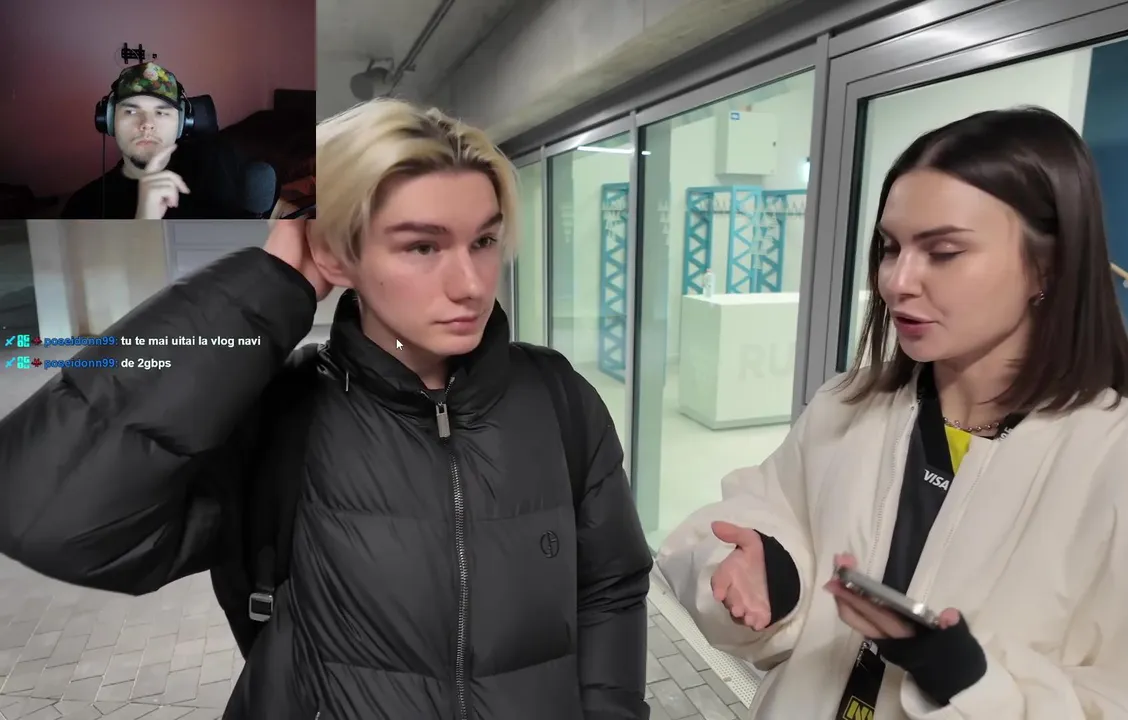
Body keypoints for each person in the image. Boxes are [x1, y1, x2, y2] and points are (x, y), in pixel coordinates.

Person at [0, 99, 653, 719]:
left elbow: (611, 588)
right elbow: (46, 513)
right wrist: (269, 288)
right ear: (340, 254)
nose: (471, 284)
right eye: (423, 246)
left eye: (483, 241)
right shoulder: (276, 414)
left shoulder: (558, 399)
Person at [656, 107, 1128, 719]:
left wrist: (977, 686)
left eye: (944, 252)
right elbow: (762, 513)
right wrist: (774, 570)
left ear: (1047, 266)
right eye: (890, 247)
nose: (897, 281)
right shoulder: (847, 408)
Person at [61, 62, 249, 219]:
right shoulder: (82, 209)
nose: (147, 124)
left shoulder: (215, 169)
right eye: (131, 111)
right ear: (108, 120)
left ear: (183, 123)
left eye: (161, 112)